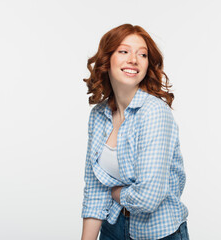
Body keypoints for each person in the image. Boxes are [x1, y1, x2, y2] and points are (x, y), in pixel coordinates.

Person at [81, 24, 189, 240]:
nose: (134, 59)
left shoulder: (154, 112)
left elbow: (148, 197)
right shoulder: (98, 115)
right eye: (124, 51)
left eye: (142, 54)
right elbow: (93, 190)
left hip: (158, 232)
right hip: (113, 226)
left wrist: (114, 193)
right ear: (107, 59)